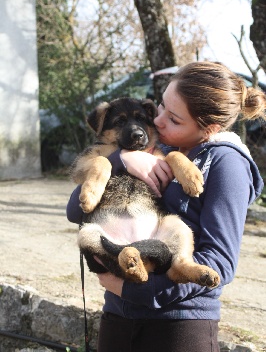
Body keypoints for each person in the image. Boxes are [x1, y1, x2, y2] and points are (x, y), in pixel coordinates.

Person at [67, 61, 265, 352]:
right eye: (161, 108)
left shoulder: (227, 164)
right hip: (119, 315)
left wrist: (137, 290)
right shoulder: (155, 149)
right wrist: (119, 161)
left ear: (208, 128)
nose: (156, 122)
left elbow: (221, 262)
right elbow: (75, 211)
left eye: (173, 119)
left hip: (178, 325)